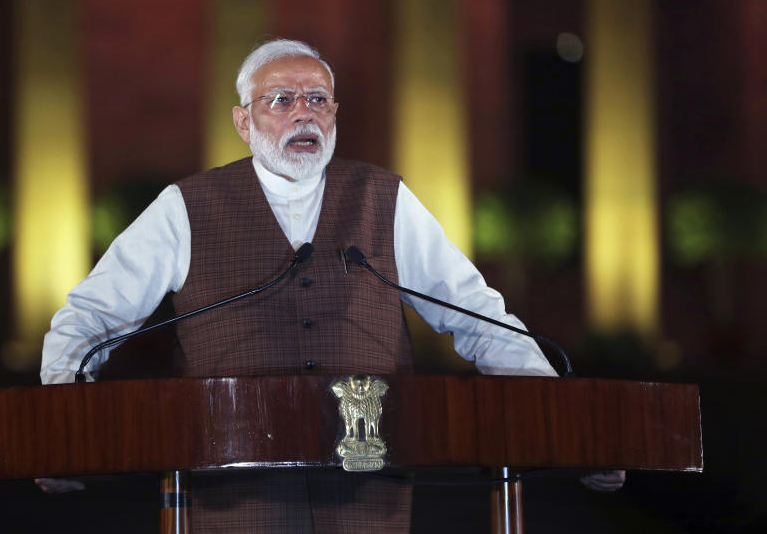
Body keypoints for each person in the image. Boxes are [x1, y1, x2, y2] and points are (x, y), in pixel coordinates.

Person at [39, 39, 624, 531]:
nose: (304, 113)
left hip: (368, 492)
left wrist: (560, 416)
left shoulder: (384, 199)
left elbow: (475, 314)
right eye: (281, 100)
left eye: (318, 99)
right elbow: (92, 316)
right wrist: (63, 421)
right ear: (243, 121)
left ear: (335, 114)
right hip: (233, 494)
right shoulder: (186, 207)